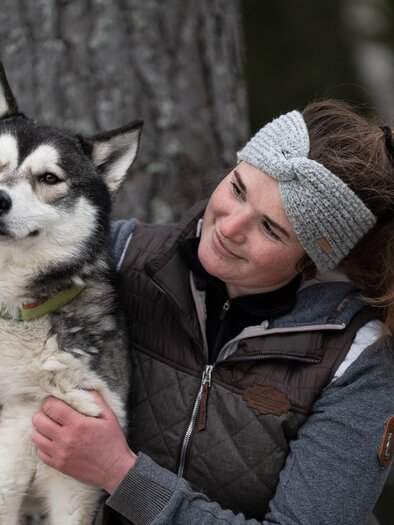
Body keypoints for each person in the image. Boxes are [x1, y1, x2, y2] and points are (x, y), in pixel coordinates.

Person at [32, 100, 394, 525]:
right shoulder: (119, 257)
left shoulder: (356, 360)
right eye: (238, 189)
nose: (228, 226)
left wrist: (121, 474)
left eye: (269, 228)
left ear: (311, 261)